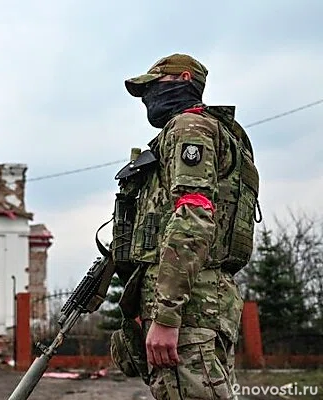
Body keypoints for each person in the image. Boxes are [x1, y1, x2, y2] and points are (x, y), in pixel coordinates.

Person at [109, 54, 261, 399]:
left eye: (153, 86)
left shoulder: (188, 128)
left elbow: (194, 213)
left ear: (184, 79)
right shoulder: (212, 130)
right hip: (204, 303)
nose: (148, 98)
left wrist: (166, 316)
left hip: (189, 311)